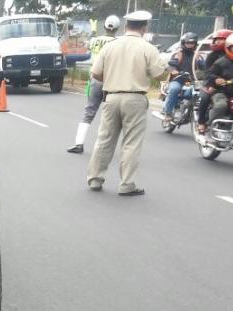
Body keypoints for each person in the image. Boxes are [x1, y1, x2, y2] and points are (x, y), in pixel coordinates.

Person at [86, 11, 167, 196]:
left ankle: (95, 179)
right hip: (135, 98)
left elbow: (96, 73)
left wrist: (112, 78)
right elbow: (159, 75)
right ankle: (126, 184)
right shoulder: (148, 48)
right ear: (144, 28)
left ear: (125, 27)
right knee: (131, 142)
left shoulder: (110, 46)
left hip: (111, 97)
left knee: (105, 139)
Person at [67, 15, 121, 154]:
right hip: (112, 81)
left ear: (104, 27)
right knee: (109, 114)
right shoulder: (119, 43)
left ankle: (78, 143)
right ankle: (104, 146)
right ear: (117, 28)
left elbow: (89, 43)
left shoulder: (95, 40)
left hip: (95, 79)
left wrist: (93, 32)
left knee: (89, 111)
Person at [195, 29, 233, 134]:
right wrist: (212, 84)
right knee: (205, 97)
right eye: (216, 40)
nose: (217, 42)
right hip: (211, 84)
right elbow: (208, 73)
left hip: (232, 86)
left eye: (221, 39)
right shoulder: (212, 56)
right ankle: (202, 122)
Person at [161, 32, 197, 125]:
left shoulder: (196, 55)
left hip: (190, 81)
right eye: (187, 43)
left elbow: (204, 66)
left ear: (195, 43)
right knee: (174, 89)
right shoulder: (179, 54)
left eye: (192, 43)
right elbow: (172, 63)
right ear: (183, 43)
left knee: (195, 92)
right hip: (178, 79)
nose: (190, 45)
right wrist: (174, 70)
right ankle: (168, 113)